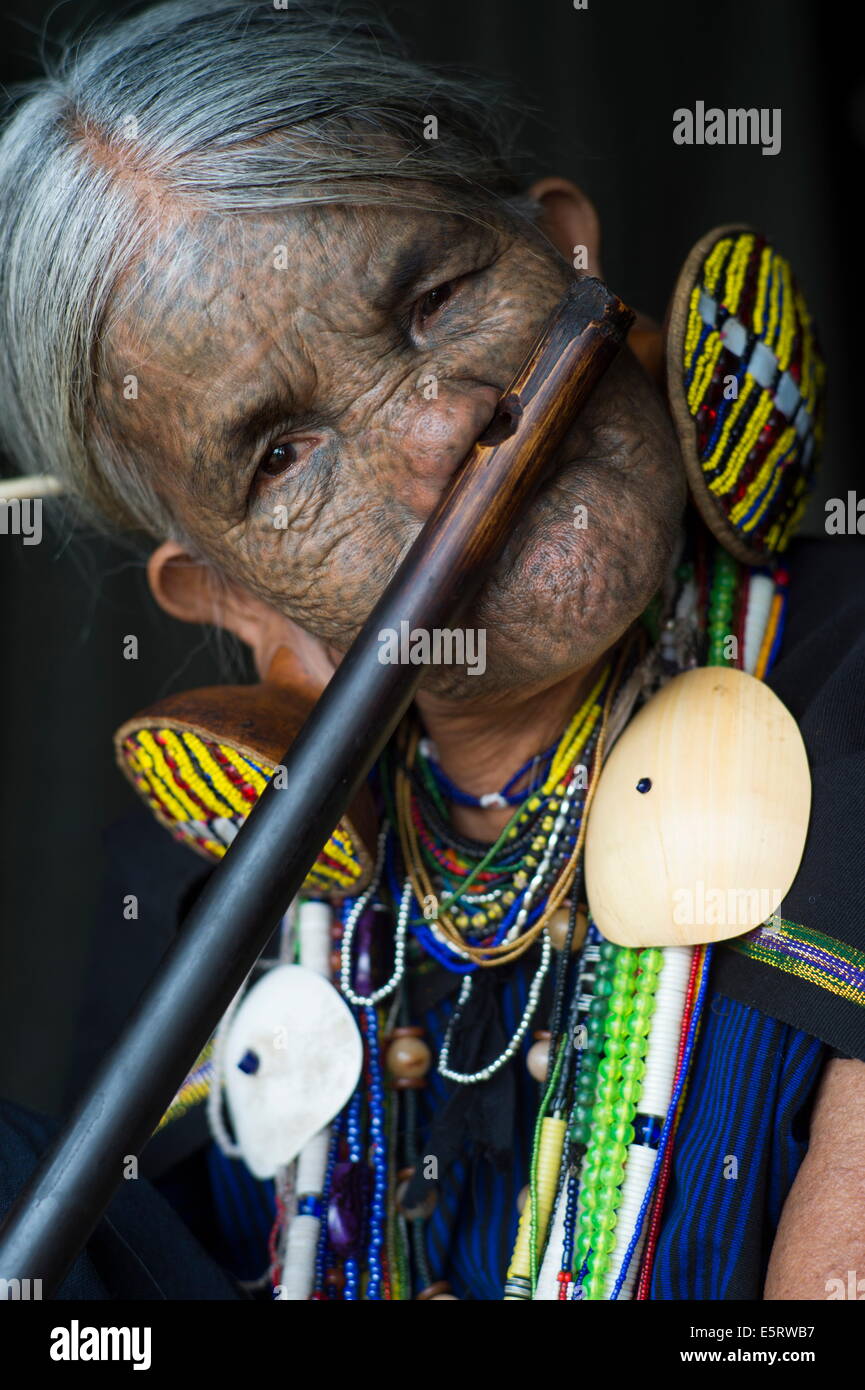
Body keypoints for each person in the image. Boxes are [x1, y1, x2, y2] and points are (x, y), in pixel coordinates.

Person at [0, 0, 863, 1301]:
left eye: (435, 300)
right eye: (281, 453)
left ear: (565, 249)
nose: (441, 431)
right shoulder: (207, 893)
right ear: (230, 593)